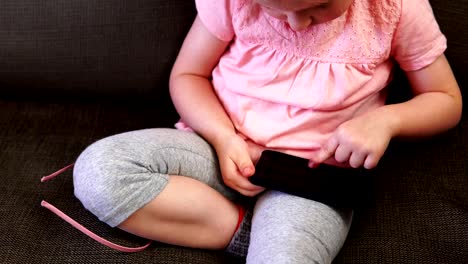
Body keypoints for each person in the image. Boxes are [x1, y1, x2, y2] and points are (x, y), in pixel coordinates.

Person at [73, 0, 462, 263]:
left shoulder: (395, 10)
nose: (296, 23)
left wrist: (385, 122)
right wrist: (223, 137)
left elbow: (446, 99)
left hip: (312, 178)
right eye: (274, 9)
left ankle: (274, 237)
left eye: (317, 6)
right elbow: (188, 75)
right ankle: (245, 232)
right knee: (99, 170)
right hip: (218, 145)